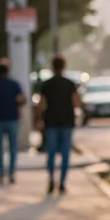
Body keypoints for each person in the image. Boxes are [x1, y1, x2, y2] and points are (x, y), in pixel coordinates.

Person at [37, 54, 81, 194]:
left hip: (51, 122)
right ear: (64, 67)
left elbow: (41, 104)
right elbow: (76, 103)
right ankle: (62, 182)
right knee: (65, 153)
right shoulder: (69, 84)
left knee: (51, 152)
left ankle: (51, 177)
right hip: (67, 122)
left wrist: (39, 119)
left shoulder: (47, 84)